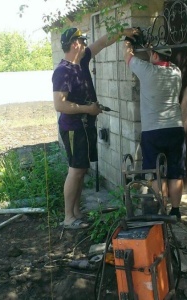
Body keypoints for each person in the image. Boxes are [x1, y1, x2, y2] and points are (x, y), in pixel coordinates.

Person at [53, 27, 139, 229]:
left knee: (82, 169)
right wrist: (88, 109)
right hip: (73, 127)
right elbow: (60, 104)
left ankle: (76, 213)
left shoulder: (81, 61)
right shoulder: (63, 71)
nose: (85, 44)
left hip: (84, 125)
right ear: (75, 44)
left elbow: (102, 42)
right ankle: (68, 218)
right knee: (75, 170)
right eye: (82, 41)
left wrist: (123, 32)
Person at [123, 40, 186, 220]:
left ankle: (161, 211)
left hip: (153, 132)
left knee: (155, 173)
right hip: (175, 129)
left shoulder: (147, 71)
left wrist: (127, 39)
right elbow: (164, 60)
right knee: (176, 172)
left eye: (152, 53)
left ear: (156, 55)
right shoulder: (176, 71)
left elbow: (127, 56)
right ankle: (175, 211)